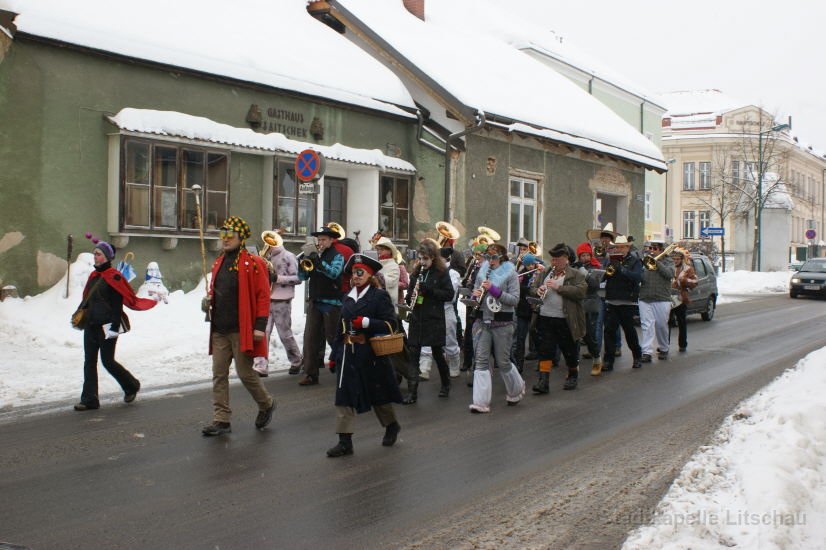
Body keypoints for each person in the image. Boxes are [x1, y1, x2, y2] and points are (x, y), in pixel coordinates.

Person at [202, 216, 275, 436]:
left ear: (240, 237)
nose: (225, 239)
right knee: (219, 374)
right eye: (222, 235)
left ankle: (266, 404)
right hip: (220, 329)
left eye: (229, 235)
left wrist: (260, 326)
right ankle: (221, 419)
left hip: (242, 329)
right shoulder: (219, 262)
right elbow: (217, 290)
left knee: (245, 374)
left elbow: (263, 296)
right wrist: (208, 301)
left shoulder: (253, 263)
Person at [326, 253, 404, 457]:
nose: (357, 276)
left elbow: (391, 324)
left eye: (361, 272)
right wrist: (334, 354)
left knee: (378, 394)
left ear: (369, 275)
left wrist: (367, 323)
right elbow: (340, 328)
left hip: (370, 353)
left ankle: (391, 425)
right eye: (354, 272)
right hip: (347, 352)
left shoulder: (379, 296)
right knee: (344, 396)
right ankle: (345, 442)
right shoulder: (348, 296)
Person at [74, 239, 158, 411]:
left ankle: (131, 385)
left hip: (106, 327)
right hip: (91, 325)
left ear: (106, 257)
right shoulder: (94, 276)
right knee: (89, 361)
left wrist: (113, 328)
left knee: (107, 361)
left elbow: (117, 306)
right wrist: (80, 315)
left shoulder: (115, 277)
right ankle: (90, 399)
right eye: (94, 253)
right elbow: (87, 299)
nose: (95, 257)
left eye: (98, 254)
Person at [468, 243, 525, 412]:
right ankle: (480, 402)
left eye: (493, 257)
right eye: (488, 257)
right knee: (481, 360)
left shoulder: (511, 273)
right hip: (482, 321)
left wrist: (494, 290)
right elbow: (475, 291)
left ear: (501, 258)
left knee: (503, 361)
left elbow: (514, 300)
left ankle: (516, 390)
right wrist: (474, 294)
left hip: (502, 323)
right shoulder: (483, 272)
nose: (490, 260)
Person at [402, 239, 455, 403]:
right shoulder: (417, 272)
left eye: (425, 259)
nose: (422, 262)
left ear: (433, 257)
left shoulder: (441, 272)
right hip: (418, 317)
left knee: (438, 353)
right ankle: (412, 393)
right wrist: (411, 296)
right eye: (420, 258)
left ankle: (446, 385)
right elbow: (410, 292)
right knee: (414, 354)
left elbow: (449, 294)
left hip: (433, 318)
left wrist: (429, 290)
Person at [531, 244, 587, 393]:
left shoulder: (576, 274)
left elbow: (581, 292)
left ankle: (572, 375)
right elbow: (533, 287)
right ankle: (543, 381)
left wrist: (559, 287)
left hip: (565, 319)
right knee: (545, 350)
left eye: (557, 260)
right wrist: (538, 290)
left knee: (568, 349)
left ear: (566, 259)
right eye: (553, 259)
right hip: (545, 317)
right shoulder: (546, 272)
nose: (554, 263)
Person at [297, 225, 345, 386]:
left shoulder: (337, 256)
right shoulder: (313, 256)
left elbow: (334, 273)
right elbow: (302, 277)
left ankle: (345, 368)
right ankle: (311, 374)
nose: (321, 242)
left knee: (333, 338)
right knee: (310, 338)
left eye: (324, 239)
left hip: (332, 303)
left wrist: (318, 263)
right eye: (319, 239)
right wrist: (302, 263)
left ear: (332, 240)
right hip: (316, 301)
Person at [254, 230, 303, 377]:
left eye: (270, 242)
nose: (267, 245)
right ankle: (261, 365)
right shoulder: (265, 257)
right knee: (263, 332)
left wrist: (278, 278)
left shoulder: (288, 256)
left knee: (284, 334)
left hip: (282, 300)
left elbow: (298, 278)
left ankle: (296, 360)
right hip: (266, 299)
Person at [601, 235, 643, 372]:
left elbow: (636, 277)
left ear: (627, 247)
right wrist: (606, 272)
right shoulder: (611, 260)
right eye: (617, 247)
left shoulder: (635, 261)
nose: (619, 249)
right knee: (609, 332)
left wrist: (622, 269)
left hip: (627, 301)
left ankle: (637, 356)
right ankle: (608, 361)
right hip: (612, 300)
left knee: (629, 332)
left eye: (621, 247)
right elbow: (606, 277)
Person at [638, 240, 675, 362]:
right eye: (650, 248)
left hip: (662, 297)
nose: (652, 251)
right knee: (646, 325)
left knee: (661, 325)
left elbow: (669, 274)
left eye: (655, 248)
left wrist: (657, 263)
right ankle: (646, 352)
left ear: (661, 250)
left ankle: (664, 348)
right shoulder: (645, 261)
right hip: (645, 297)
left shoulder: (668, 261)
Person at [572, 242, 605, 375]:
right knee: (574, 335)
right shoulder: (575, 267)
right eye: (582, 255)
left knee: (589, 335)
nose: (585, 258)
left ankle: (596, 358)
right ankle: (574, 364)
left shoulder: (596, 267)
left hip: (591, 304)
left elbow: (594, 284)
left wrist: (583, 271)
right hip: (577, 303)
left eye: (587, 255)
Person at [511, 252, 542, 373]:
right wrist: (528, 289)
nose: (531, 267)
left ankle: (541, 361)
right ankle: (519, 364)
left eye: (532, 264)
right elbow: (518, 289)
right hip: (523, 309)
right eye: (528, 265)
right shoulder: (521, 275)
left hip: (534, 310)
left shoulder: (539, 273)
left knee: (537, 336)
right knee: (520, 337)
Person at [671, 247, 697, 353]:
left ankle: (682, 344)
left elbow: (695, 281)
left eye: (677, 259)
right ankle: (664, 345)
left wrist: (684, 280)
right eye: (674, 259)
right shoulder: (669, 267)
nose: (675, 261)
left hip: (681, 298)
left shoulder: (688, 269)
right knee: (666, 323)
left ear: (682, 259)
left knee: (681, 322)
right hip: (668, 298)